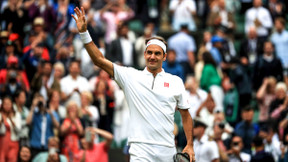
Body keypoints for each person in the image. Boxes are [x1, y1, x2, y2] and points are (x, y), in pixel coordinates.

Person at [72, 7, 195, 162]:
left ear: (164, 57)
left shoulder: (175, 81)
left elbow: (186, 115)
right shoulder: (130, 76)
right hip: (140, 150)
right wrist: (84, 33)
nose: (152, 56)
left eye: (157, 53)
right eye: (149, 52)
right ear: (144, 54)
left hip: (167, 149)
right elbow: (99, 60)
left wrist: (190, 144)